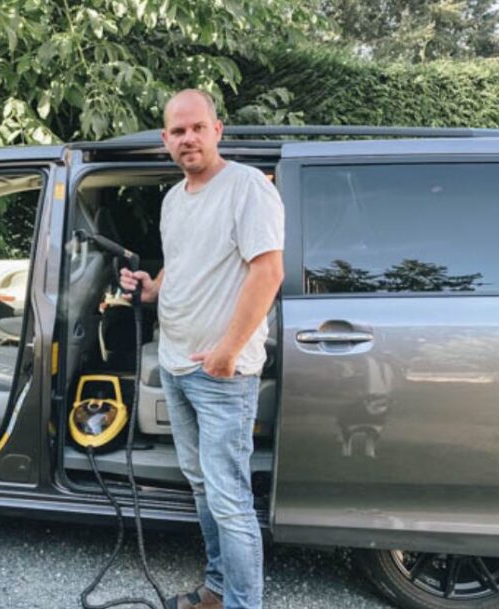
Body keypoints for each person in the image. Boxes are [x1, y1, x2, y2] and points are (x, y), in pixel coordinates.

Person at [119, 89, 284, 609]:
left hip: (221, 374)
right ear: (166, 139)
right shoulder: (174, 199)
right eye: (177, 131)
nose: (188, 138)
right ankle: (217, 589)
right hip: (176, 363)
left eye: (197, 127)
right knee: (201, 487)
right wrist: (152, 288)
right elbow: (184, 264)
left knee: (230, 500)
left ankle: (242, 603)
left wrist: (227, 351)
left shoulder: (247, 188)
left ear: (218, 130)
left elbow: (268, 270)